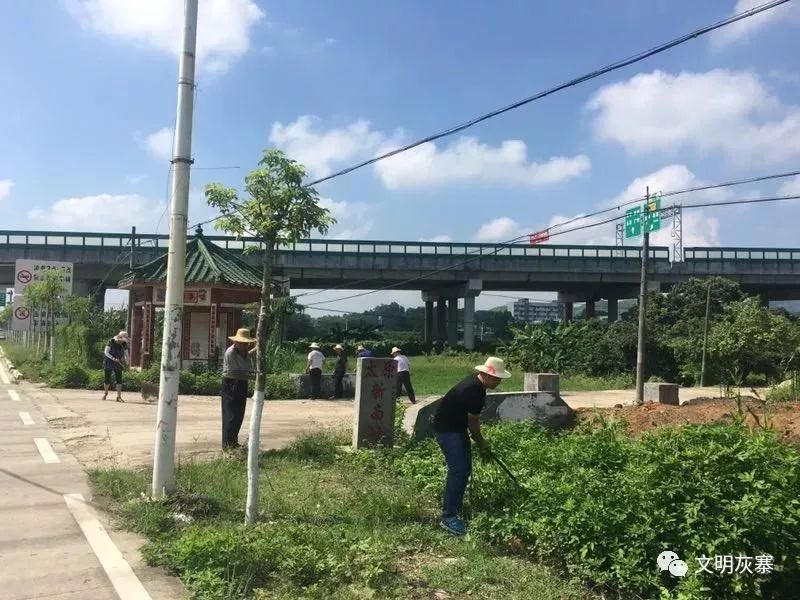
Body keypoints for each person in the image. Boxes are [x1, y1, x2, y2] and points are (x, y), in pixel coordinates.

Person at [433, 356, 511, 536]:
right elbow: (473, 422)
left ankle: (454, 507)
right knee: (459, 470)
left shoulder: (476, 386)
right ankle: (449, 517)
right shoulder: (474, 390)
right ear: (487, 375)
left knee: (463, 469)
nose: (499, 381)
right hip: (448, 431)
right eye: (497, 378)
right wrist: (481, 442)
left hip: (455, 429)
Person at [221, 327, 255, 450]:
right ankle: (227, 445)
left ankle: (233, 442)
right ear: (236, 342)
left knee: (239, 414)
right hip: (232, 383)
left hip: (242, 383)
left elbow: (246, 357)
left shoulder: (243, 351)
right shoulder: (231, 353)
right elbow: (235, 373)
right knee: (231, 415)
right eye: (243, 343)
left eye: (247, 344)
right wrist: (253, 377)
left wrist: (257, 348)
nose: (246, 346)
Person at [102, 331, 129, 403]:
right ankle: (106, 393)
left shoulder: (124, 344)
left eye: (123, 340)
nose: (121, 342)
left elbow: (126, 355)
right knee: (107, 379)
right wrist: (113, 359)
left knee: (119, 379)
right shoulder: (110, 342)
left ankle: (119, 397)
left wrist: (127, 363)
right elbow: (106, 352)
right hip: (109, 361)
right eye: (121, 340)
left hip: (118, 362)